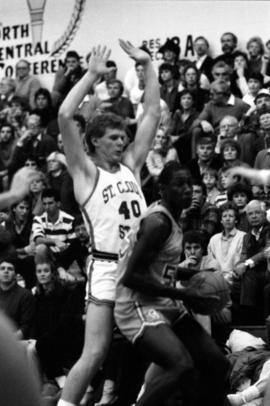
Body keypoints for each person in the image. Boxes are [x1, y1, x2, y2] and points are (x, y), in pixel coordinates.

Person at [57, 40, 160, 406]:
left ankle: (143, 399)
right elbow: (66, 116)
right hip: (105, 267)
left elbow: (151, 113)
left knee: (169, 341)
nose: (122, 142)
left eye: (123, 137)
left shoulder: (131, 165)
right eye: (114, 138)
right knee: (95, 353)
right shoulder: (85, 173)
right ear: (95, 141)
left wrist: (148, 66)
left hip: (141, 265)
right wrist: (91, 75)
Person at [114, 162, 229, 406]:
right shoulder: (158, 223)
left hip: (162, 302)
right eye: (179, 185)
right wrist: (186, 295)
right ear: (162, 189)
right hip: (136, 305)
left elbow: (159, 270)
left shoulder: (172, 219)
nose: (187, 189)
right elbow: (131, 276)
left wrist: (190, 276)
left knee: (217, 363)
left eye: (190, 184)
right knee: (181, 365)